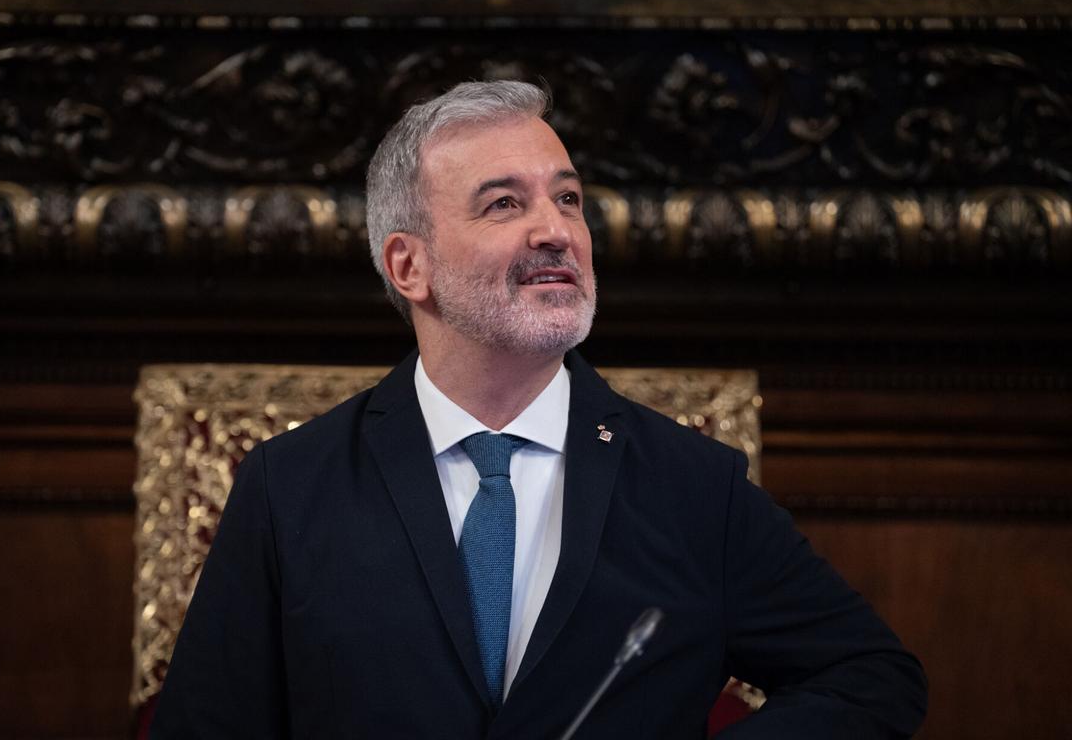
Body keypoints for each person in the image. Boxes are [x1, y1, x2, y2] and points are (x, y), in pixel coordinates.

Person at [153, 81, 926, 738]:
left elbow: (871, 677)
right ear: (408, 264)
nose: (556, 230)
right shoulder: (289, 486)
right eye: (503, 204)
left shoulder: (695, 487)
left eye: (567, 198)